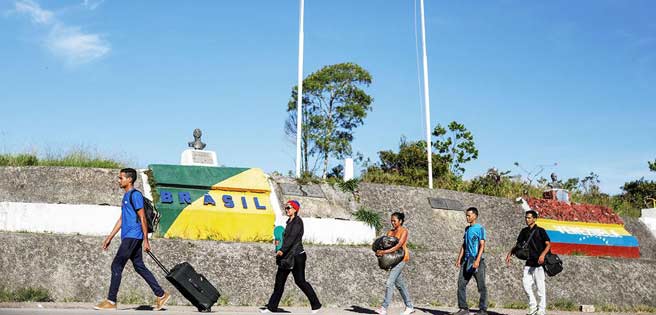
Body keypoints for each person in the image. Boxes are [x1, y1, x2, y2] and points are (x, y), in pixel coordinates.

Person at [94, 168, 169, 311]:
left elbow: (142, 218)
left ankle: (111, 301)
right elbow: (122, 219)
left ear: (129, 179)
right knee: (139, 266)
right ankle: (161, 294)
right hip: (129, 236)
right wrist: (110, 237)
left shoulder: (135, 195)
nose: (119, 180)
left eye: (121, 178)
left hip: (133, 236)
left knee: (116, 265)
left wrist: (146, 240)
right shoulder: (126, 196)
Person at [261, 200, 322, 313]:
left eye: (289, 208)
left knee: (300, 281)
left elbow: (292, 239)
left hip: (296, 256)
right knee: (279, 282)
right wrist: (278, 244)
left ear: (295, 209)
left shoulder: (298, 222)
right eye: (286, 208)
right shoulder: (289, 221)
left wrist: (282, 250)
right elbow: (285, 238)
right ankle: (271, 307)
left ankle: (316, 304)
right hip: (287, 257)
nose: (287, 210)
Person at [505, 210, 551, 315]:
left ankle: (541, 310)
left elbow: (548, 244)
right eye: (526, 217)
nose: (527, 219)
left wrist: (543, 255)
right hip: (529, 263)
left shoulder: (541, 231)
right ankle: (533, 306)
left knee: (540, 288)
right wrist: (510, 253)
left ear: (534, 219)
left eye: (529, 218)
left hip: (539, 264)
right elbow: (518, 245)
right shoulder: (524, 231)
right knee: (526, 285)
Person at [375, 212, 415, 315]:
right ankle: (409, 306)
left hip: (401, 259)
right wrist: (380, 253)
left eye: (394, 221)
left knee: (389, 282)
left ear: (400, 221)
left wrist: (384, 252)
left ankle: (384, 308)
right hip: (392, 260)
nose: (392, 222)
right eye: (391, 220)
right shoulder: (390, 232)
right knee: (400, 285)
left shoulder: (404, 231)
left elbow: (398, 246)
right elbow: (386, 246)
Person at [451, 207, 488, 315]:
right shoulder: (467, 229)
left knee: (481, 286)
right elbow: (464, 245)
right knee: (461, 284)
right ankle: (463, 309)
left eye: (469, 215)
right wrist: (459, 259)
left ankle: (483, 310)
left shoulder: (480, 228)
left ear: (475, 216)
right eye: (466, 215)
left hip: (477, 261)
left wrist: (477, 260)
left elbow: (482, 245)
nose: (467, 217)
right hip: (466, 261)